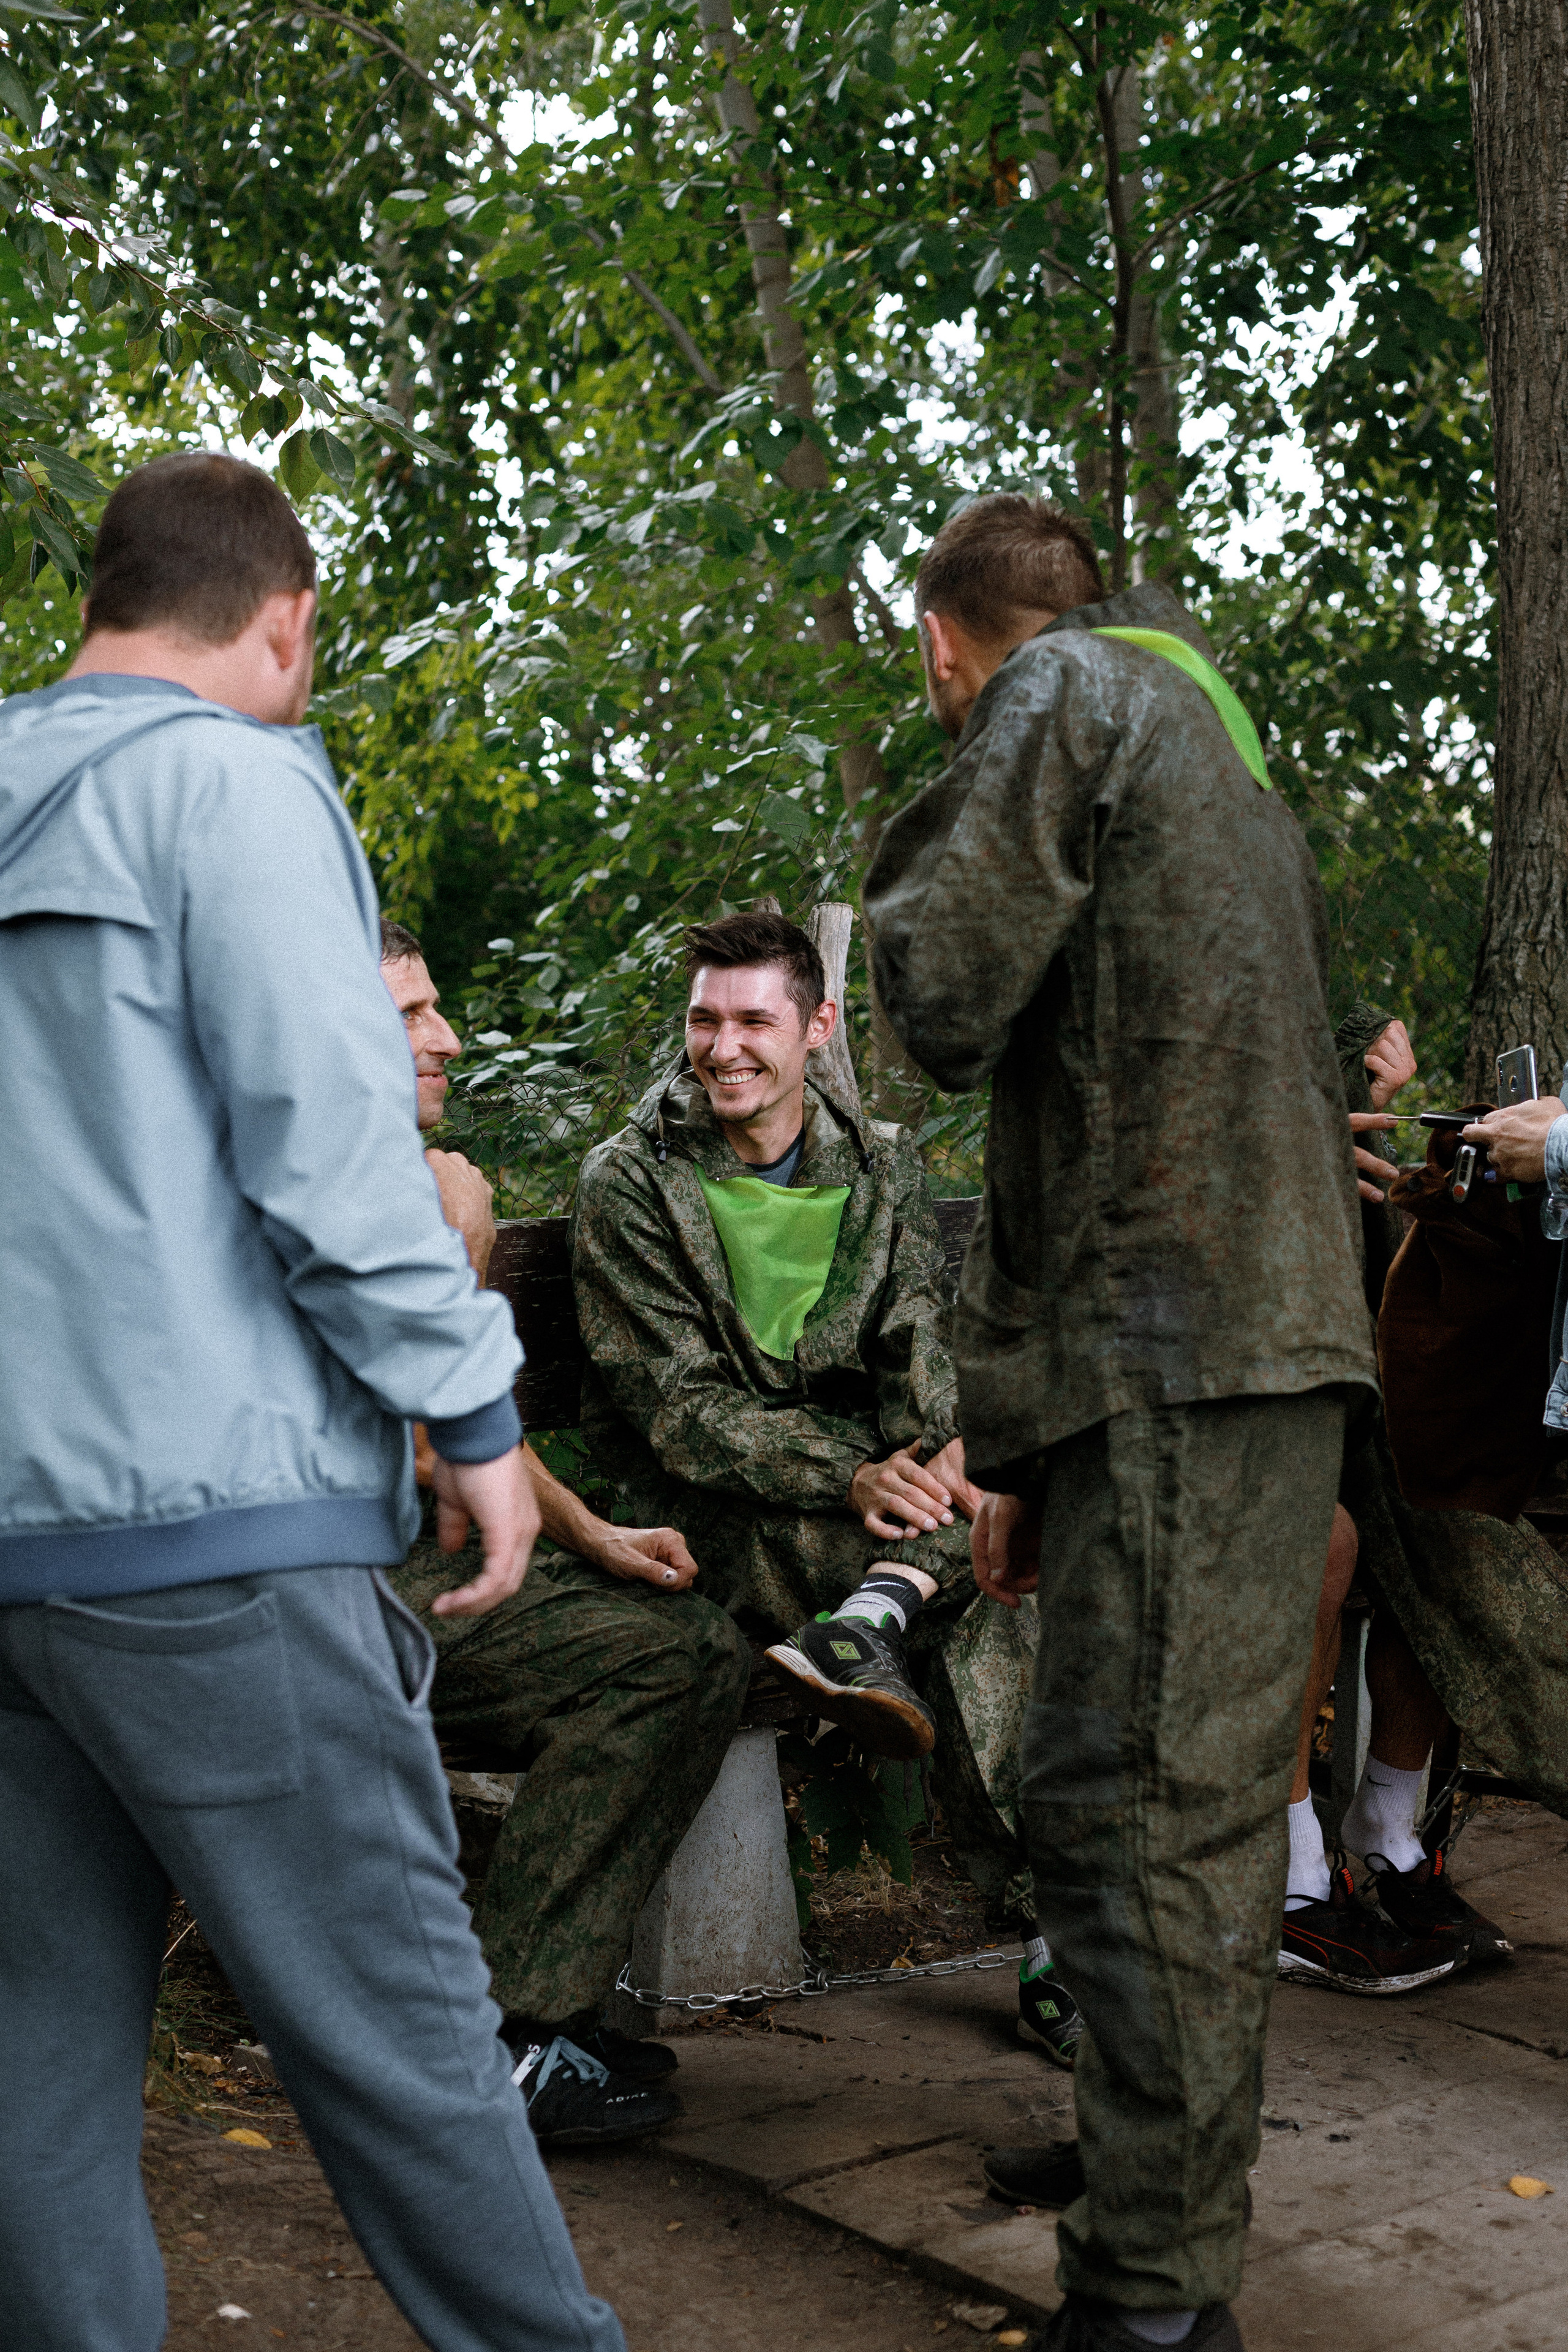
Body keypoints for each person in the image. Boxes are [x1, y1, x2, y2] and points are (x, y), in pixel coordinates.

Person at [0, 454, 624, 2352]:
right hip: (215, 1543)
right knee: (406, 2043)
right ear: (285, 623)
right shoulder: (234, 785)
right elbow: (334, 1154)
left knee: (30, 2070)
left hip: (15, 1564)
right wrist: (473, 1414)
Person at [864, 494, 1379, 2352]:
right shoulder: (1210, 732)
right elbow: (1116, 1077)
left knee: (1142, 1819)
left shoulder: (1059, 696)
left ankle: (1153, 2308)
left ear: (944, 640)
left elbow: (939, 989)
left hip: (1179, 1353)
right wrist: (1022, 1439)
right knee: (1173, 1809)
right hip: (1213, 1353)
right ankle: (1142, 2180)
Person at [570, 908, 1084, 2065]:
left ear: (817, 1027)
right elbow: (678, 1411)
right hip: (710, 1504)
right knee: (980, 1575)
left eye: (756, 1019)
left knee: (1011, 1558)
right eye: (706, 1020)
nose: (725, 1047)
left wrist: (948, 1448)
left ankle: (878, 1614)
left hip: (868, 1494)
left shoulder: (878, 1161)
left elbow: (918, 1337)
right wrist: (850, 1473)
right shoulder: (632, 1182)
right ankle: (1068, 1929)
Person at [375, 918, 752, 2141]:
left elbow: (477, 1436)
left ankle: (528, 2014)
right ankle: (504, 2041)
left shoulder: (387, 1174)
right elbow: (440, 1443)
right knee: (668, 1665)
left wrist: (593, 1534)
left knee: (681, 1629)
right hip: (319, 1595)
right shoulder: (343, 1195)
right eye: (407, 1017)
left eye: (434, 1007)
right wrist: (462, 1245)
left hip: (390, 1566)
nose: (446, 1036)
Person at [1277, 1011, 1511, 1988]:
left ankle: (1385, 1826)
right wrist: (1291, 1148)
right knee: (1320, 1543)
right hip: (1216, 1404)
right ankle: (1289, 1879)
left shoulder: (1285, 970)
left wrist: (1379, 1089)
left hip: (1338, 1387)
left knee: (1449, 1510)